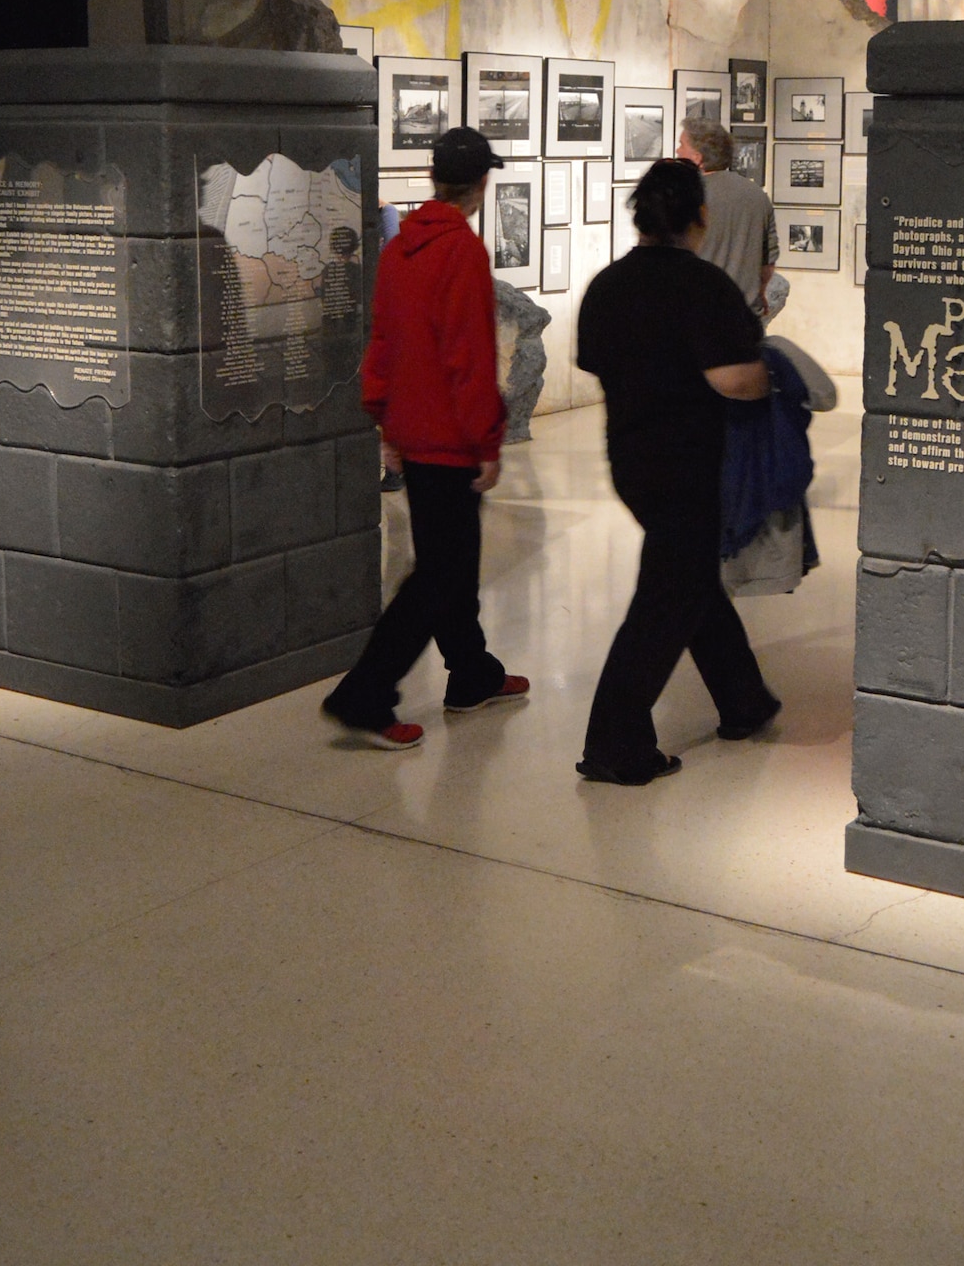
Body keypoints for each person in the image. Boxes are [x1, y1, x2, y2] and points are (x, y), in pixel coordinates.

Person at [575, 158, 781, 784]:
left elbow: (598, 364)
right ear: (700, 216)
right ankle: (615, 744)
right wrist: (775, 377)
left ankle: (744, 699)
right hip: (690, 466)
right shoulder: (702, 286)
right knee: (667, 599)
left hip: (632, 462)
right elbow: (736, 379)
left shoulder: (606, 286)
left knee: (691, 582)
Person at [322, 126, 528, 748]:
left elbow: (381, 341)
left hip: (412, 432)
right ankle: (365, 693)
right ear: (482, 183)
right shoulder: (461, 253)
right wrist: (487, 443)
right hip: (448, 439)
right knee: (439, 572)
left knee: (451, 561)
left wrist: (384, 421)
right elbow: (468, 359)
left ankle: (472, 673)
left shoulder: (400, 247)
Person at [677, 116, 779, 316]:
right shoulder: (757, 195)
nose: (677, 151)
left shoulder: (687, 196)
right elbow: (768, 262)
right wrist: (759, 292)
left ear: (697, 158)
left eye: (681, 145)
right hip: (745, 315)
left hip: (699, 315)